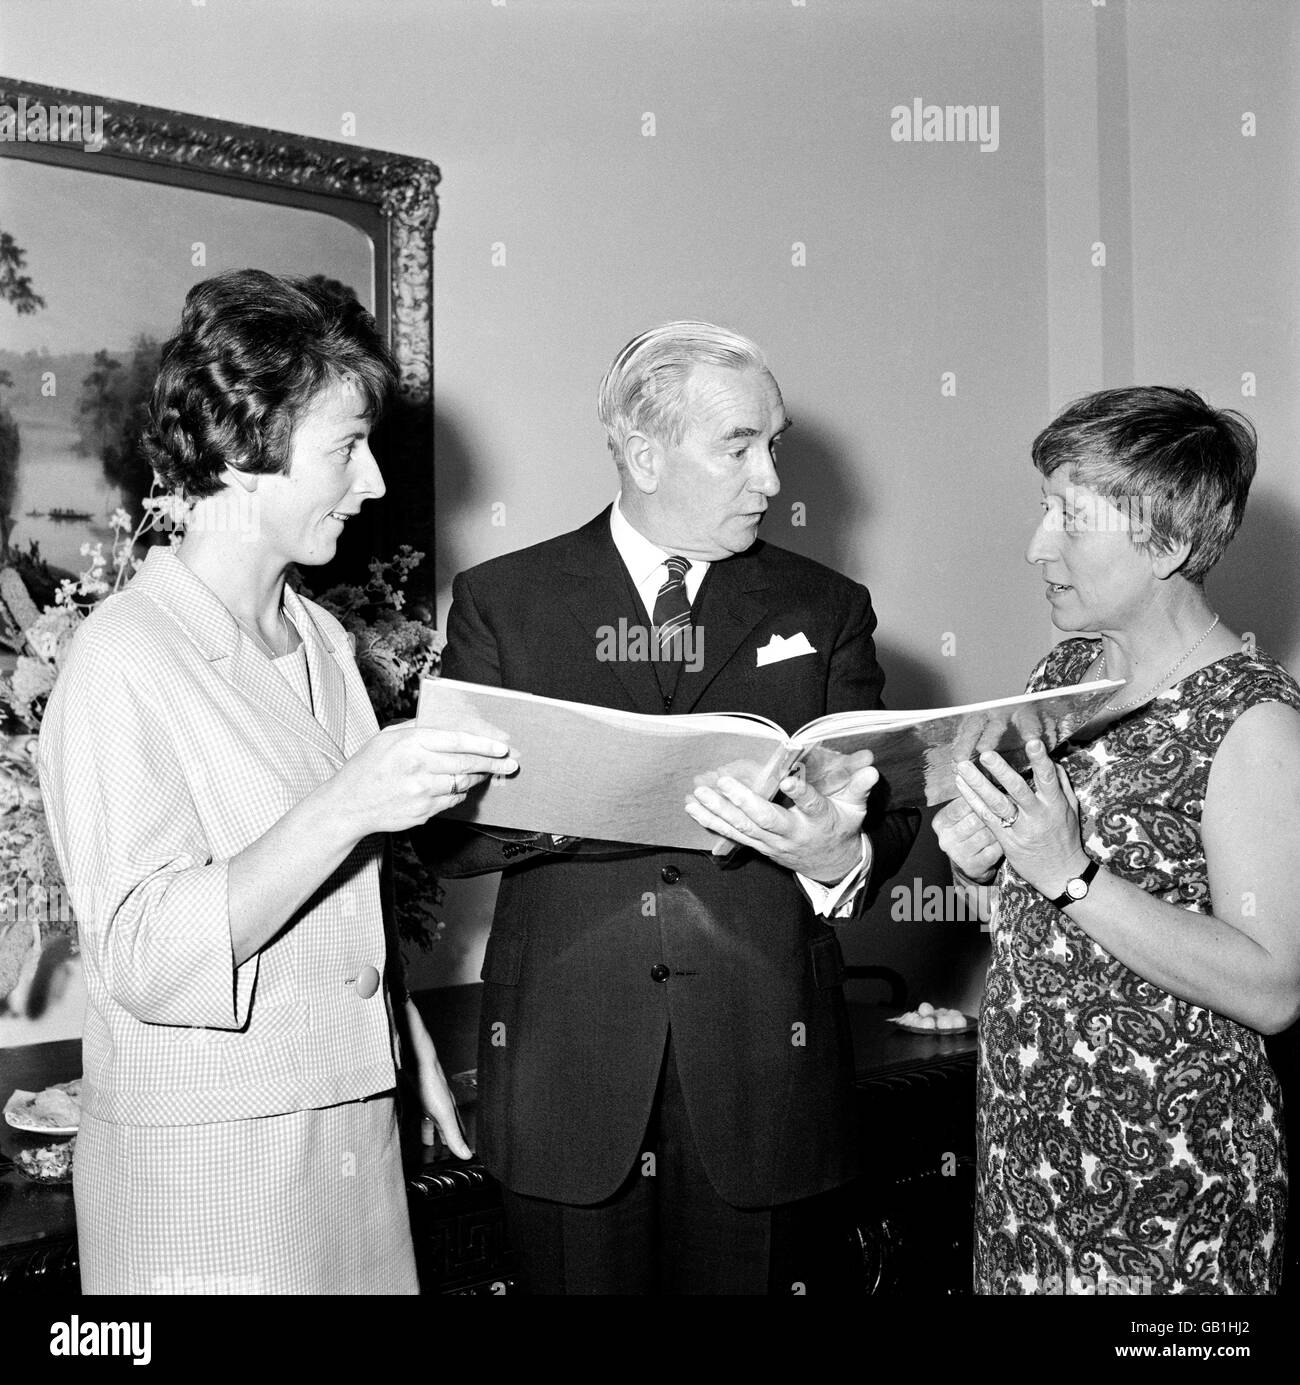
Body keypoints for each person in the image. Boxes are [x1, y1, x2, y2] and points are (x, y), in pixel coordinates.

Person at [37, 269, 516, 1294]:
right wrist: (350, 802)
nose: (375, 480)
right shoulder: (123, 657)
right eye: (347, 446)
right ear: (245, 453)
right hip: (213, 1174)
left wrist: (402, 1033)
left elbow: (335, 903)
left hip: (349, 1132)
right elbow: (145, 954)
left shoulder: (320, 638)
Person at [421, 321, 919, 1293]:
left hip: (765, 1078)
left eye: (773, 442)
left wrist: (832, 851)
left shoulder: (826, 607)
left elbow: (892, 814)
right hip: (566, 1073)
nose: (771, 478)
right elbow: (446, 836)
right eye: (740, 445)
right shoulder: (503, 599)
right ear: (644, 452)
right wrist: (585, 799)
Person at [933, 385, 1300, 1294]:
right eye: (1042, 509)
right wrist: (978, 855)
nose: (1036, 545)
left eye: (1071, 518)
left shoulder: (1252, 720)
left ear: (1169, 544)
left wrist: (1070, 872)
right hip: (1029, 1144)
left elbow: (1272, 986)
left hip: (1168, 1174)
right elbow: (1034, 901)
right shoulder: (1060, 673)